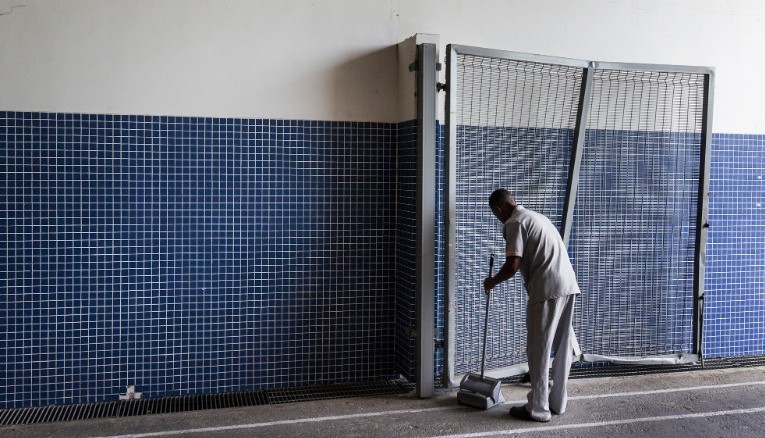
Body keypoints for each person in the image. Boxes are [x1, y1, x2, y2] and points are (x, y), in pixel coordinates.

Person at [483, 188, 581, 422]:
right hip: (568, 284)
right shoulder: (537, 217)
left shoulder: (515, 222)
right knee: (563, 346)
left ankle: (538, 409)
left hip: (547, 288)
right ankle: (557, 402)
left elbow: (513, 264)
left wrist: (492, 281)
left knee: (538, 349)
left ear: (499, 209)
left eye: (496, 215)